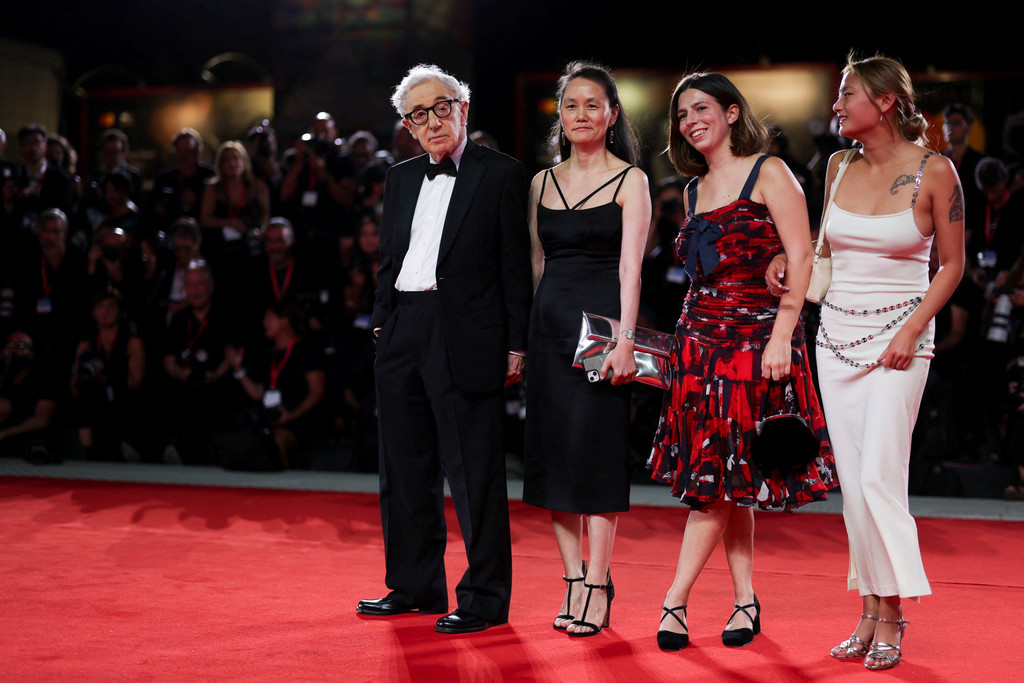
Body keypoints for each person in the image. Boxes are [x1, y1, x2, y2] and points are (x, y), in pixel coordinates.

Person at [771, 55, 965, 671]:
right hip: (836, 340)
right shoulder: (837, 165)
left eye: (847, 94)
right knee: (853, 484)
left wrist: (912, 330)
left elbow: (953, 265)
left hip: (901, 340)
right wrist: (788, 262)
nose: (836, 105)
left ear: (884, 102)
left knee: (880, 476)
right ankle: (867, 611)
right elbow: (825, 247)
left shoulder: (936, 170)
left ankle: (893, 613)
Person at [648, 72, 836, 652]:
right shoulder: (692, 190)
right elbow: (699, 278)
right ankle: (745, 600)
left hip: (754, 345)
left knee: (714, 485)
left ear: (732, 113)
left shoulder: (769, 171)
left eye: (701, 108)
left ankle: (674, 600)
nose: (690, 121)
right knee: (731, 481)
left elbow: (801, 256)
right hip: (697, 346)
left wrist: (783, 338)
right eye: (682, 114)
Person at [356, 64, 532, 635]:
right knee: (404, 468)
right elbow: (389, 260)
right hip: (402, 329)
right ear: (407, 126)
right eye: (418, 114)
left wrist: (516, 345)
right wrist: (382, 324)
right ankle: (414, 585)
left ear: (463, 108)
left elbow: (514, 267)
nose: (432, 121)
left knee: (474, 472)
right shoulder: (400, 177)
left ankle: (485, 598)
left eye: (441, 107)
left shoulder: (501, 173)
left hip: (466, 334)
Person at [521, 61, 651, 637]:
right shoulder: (540, 184)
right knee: (554, 456)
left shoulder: (631, 181)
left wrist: (626, 341)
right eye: (571, 105)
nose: (581, 114)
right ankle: (572, 577)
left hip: (600, 336)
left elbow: (631, 271)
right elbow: (535, 266)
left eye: (592, 105)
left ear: (612, 115)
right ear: (561, 114)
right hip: (548, 331)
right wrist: (524, 341)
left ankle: (599, 582)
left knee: (595, 454)